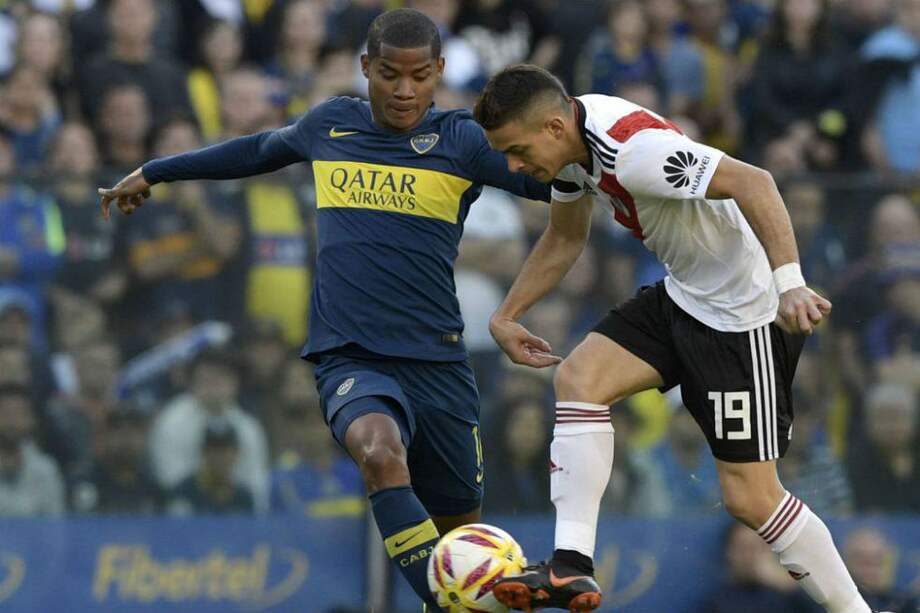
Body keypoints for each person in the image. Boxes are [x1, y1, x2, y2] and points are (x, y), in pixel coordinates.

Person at [97, 9, 550, 610]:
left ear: (440, 71)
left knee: (460, 539)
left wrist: (623, 167)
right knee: (380, 455)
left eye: (419, 76)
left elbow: (547, 176)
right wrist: (157, 171)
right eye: (389, 74)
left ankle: (451, 599)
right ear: (365, 67)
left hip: (439, 363)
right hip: (351, 356)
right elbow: (256, 149)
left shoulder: (462, 140)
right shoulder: (331, 124)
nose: (404, 90)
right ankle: (451, 600)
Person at [474, 64, 879, 613]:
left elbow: (755, 181)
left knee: (751, 498)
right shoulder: (570, 147)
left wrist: (790, 284)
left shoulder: (634, 153)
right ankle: (570, 566)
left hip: (742, 318)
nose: (513, 166)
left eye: (517, 150)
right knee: (579, 379)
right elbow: (567, 235)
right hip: (685, 294)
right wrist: (507, 314)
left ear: (552, 126)